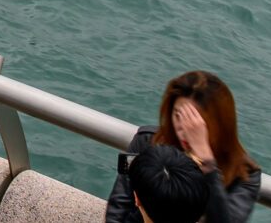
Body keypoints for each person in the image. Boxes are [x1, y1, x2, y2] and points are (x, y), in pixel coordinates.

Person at [105, 72, 262, 223]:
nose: (183, 129)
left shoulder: (244, 173)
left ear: (221, 124)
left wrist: (208, 166)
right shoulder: (146, 141)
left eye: (195, 122)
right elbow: (119, 205)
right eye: (178, 115)